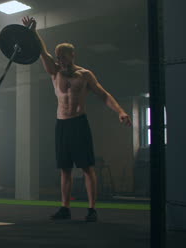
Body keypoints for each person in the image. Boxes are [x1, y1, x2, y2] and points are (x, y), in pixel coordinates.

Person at [21, 16, 132, 222]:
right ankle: (65, 208)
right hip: (61, 124)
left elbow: (103, 94)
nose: (60, 60)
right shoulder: (54, 73)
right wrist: (33, 31)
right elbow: (41, 51)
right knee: (64, 169)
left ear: (72, 55)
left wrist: (120, 111)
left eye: (63, 56)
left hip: (79, 124)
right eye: (58, 56)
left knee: (87, 168)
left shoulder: (85, 75)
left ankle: (92, 210)